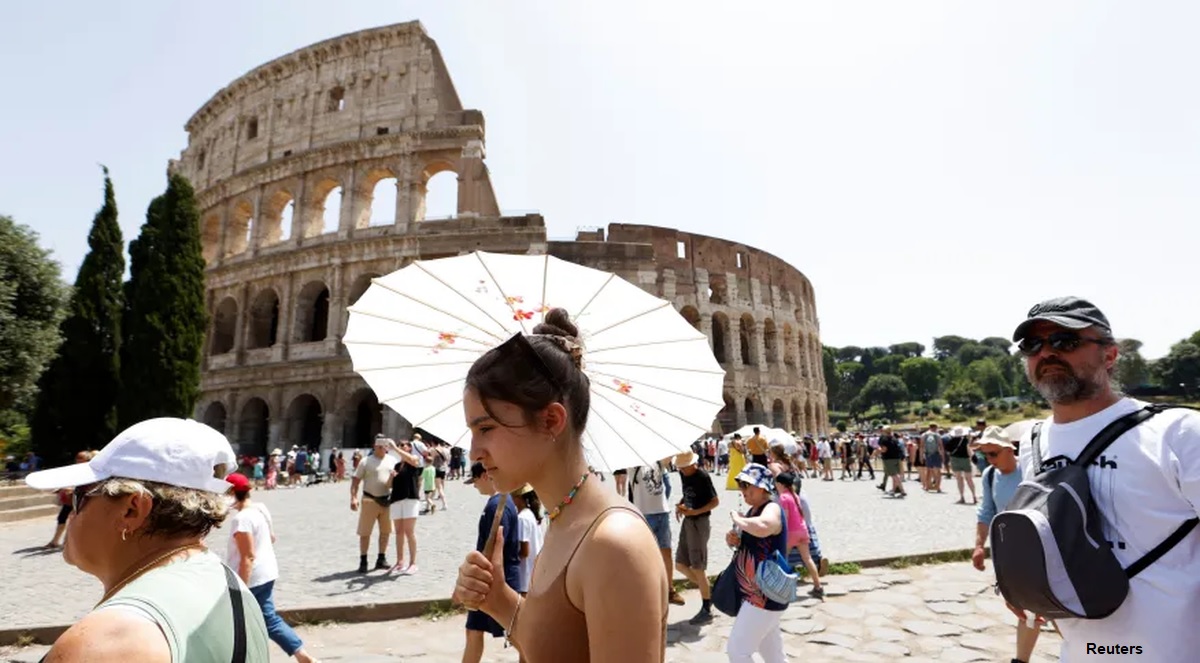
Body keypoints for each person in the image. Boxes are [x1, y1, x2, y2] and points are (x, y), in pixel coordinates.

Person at [452, 308, 667, 662]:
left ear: (550, 420)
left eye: (486, 428)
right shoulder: (564, 517)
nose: (473, 452)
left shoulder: (613, 546)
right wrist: (500, 600)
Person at [1010, 296, 1200, 661]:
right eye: (1033, 345)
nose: (1046, 352)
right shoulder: (1032, 443)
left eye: (1065, 341)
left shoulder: (1178, 434)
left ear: (1109, 356)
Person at [24, 417, 270, 661]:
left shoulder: (105, 643)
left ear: (131, 509)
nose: (72, 514)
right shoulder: (232, 587)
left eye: (80, 496)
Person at [225, 472, 319, 662]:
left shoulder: (241, 520)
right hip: (267, 572)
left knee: (244, 620)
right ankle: (301, 655)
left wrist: (241, 588)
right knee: (267, 619)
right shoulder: (260, 509)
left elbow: (248, 556)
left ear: (233, 493)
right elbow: (272, 537)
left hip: (252, 578)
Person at [970, 425, 1039, 663]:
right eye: (984, 455)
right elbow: (986, 511)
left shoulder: (1031, 471)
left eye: (993, 454)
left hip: (1038, 552)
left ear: (1009, 449)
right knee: (1026, 609)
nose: (989, 459)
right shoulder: (989, 476)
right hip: (1010, 554)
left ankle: (1083, 653)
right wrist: (979, 545)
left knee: (1052, 609)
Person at [724, 464, 788, 663]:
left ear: (762, 487)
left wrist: (739, 520)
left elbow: (764, 526)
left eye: (747, 486)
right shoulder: (753, 510)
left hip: (764, 593)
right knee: (774, 655)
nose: (743, 492)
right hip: (758, 591)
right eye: (742, 487)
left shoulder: (772, 507)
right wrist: (733, 539)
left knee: (738, 651)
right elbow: (751, 540)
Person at [462, 462, 521, 663]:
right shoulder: (497, 504)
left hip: (495, 580)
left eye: (476, 480)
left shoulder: (498, 506)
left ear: (486, 476)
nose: (475, 485)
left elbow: (496, 548)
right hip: (488, 578)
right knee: (474, 631)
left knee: (518, 636)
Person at [614, 457, 686, 606]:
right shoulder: (633, 464)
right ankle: (644, 590)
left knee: (666, 551)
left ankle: (669, 590)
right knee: (644, 554)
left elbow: (671, 459)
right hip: (644, 514)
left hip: (662, 512)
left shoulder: (657, 461)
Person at [673, 451, 719, 625]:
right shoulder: (684, 474)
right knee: (680, 564)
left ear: (693, 465)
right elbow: (689, 493)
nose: (682, 470)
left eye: (684, 467)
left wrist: (696, 511)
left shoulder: (702, 476)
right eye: (680, 467)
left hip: (700, 522)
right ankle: (709, 590)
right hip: (688, 521)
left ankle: (706, 608)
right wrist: (682, 504)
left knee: (698, 567)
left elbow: (715, 501)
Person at [350, 436, 396, 573]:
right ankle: (363, 560)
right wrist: (353, 497)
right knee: (365, 532)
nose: (384, 449)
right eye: (381, 447)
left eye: (386, 446)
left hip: (386, 500)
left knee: (386, 532)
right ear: (375, 446)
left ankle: (381, 558)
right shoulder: (366, 461)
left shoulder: (392, 460)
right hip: (370, 500)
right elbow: (356, 481)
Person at [774, 471, 822, 599]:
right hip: (802, 530)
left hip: (791, 532)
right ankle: (818, 585)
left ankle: (782, 588)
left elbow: (785, 517)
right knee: (807, 559)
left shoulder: (783, 497)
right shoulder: (794, 495)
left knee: (783, 560)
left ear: (781, 484)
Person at [385, 438, 425, 574]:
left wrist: (395, 448)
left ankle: (413, 562)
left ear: (409, 447)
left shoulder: (413, 460)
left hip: (410, 499)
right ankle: (400, 561)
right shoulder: (397, 466)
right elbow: (388, 486)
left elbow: (414, 461)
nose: (401, 447)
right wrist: (391, 477)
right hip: (396, 499)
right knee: (399, 532)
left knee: (409, 531)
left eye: (404, 445)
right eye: (400, 445)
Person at [46, 450, 96, 548]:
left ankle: (68, 542)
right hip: (71, 498)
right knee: (62, 518)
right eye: (78, 458)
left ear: (87, 460)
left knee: (75, 520)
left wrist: (72, 489)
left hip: (83, 499)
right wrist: (61, 489)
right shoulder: (76, 470)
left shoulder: (91, 471)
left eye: (81, 459)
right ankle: (55, 541)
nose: (78, 461)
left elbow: (90, 486)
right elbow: (73, 483)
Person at [512, 484, 544, 595]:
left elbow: (524, 551)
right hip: (533, 570)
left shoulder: (522, 518)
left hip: (524, 572)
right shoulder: (530, 514)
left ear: (518, 498)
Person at [945, 426, 977, 504]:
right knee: (969, 479)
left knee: (959, 479)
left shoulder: (950, 441)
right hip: (965, 460)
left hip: (955, 460)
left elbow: (948, 451)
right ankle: (974, 496)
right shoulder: (965, 440)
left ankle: (962, 497)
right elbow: (969, 450)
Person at [877, 426, 907, 497]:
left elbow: (884, 449)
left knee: (894, 475)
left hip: (889, 459)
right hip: (896, 458)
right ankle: (893, 490)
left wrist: (877, 451)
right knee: (895, 475)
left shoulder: (884, 439)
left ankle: (902, 490)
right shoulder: (894, 438)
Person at [920, 423, 945, 492]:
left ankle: (927, 486)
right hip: (936, 454)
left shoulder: (924, 435)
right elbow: (941, 446)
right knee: (938, 472)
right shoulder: (937, 435)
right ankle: (938, 487)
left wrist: (921, 457)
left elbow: (921, 447)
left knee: (928, 471)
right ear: (935, 427)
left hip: (928, 454)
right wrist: (943, 456)